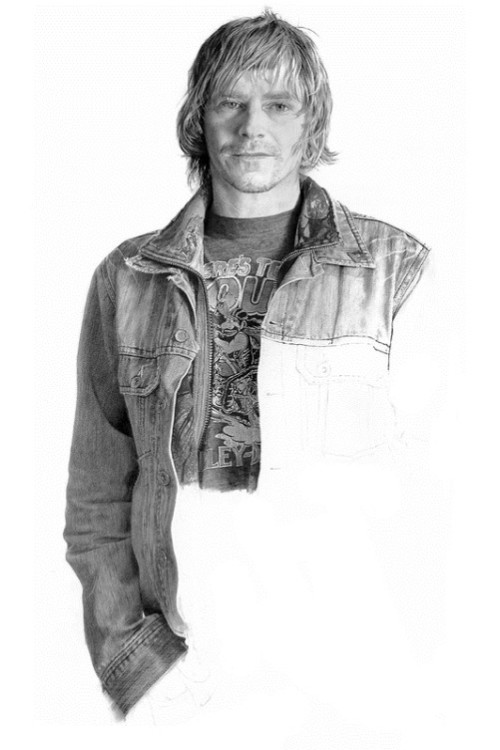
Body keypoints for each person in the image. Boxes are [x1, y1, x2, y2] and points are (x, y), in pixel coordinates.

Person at [64, 10, 437, 725]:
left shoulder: (397, 272)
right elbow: (95, 501)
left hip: (350, 675)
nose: (251, 126)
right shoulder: (128, 279)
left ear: (310, 123)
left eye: (279, 105)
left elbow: (443, 496)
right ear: (198, 120)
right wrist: (137, 671)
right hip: (185, 676)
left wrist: (404, 665)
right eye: (229, 103)